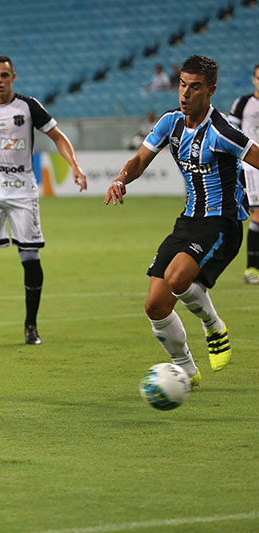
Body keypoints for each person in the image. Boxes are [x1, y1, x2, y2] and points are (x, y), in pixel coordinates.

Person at [105, 54, 259, 389]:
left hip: (222, 224)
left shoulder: (222, 132)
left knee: (177, 277)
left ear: (210, 91)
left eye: (195, 87)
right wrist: (120, 179)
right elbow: (140, 160)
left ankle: (214, 326)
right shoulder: (170, 124)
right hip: (187, 222)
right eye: (183, 85)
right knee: (155, 306)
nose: (185, 94)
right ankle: (186, 371)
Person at [0, 55, 86, 346]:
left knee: (30, 256)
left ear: (13, 77)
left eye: (4, 75)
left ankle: (31, 326)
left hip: (23, 191)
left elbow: (58, 136)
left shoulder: (28, 107)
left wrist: (74, 166)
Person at [228, 62, 259, 284]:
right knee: (258, 216)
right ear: (253, 79)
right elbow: (231, 133)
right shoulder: (244, 103)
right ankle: (252, 269)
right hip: (252, 168)